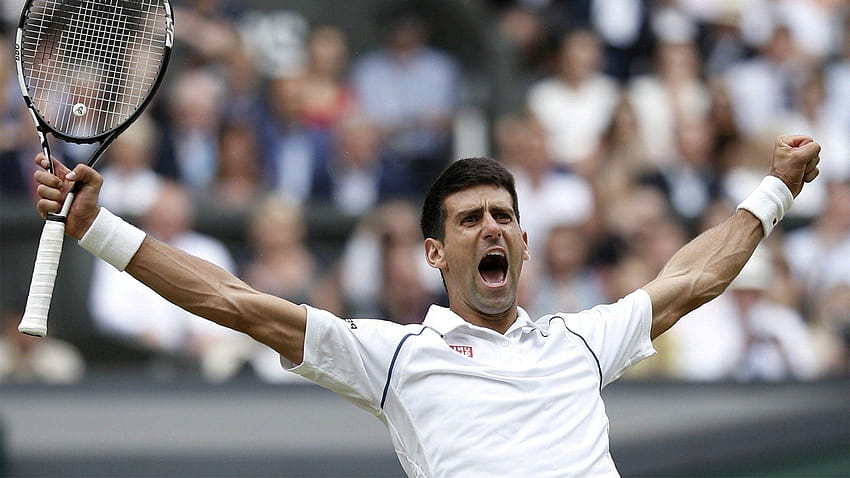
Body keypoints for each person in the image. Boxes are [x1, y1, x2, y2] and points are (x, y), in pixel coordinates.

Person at [29, 134, 820, 476]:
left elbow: (692, 278)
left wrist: (775, 190)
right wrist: (98, 228)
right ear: (435, 254)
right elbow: (234, 301)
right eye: (469, 220)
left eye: (503, 216)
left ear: (524, 241)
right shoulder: (395, 355)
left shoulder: (580, 339)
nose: (492, 228)